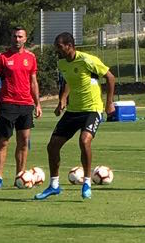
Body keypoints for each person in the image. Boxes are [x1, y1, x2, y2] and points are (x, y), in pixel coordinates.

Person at [33, 33, 115, 201]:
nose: (57, 50)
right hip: (73, 111)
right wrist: (62, 100)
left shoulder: (87, 60)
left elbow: (110, 77)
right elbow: (68, 81)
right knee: (52, 146)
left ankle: (87, 182)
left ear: (69, 46)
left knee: (84, 141)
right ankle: (54, 185)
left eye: (59, 47)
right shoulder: (61, 63)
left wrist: (109, 103)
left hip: (92, 109)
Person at [0, 26, 42, 188]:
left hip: (26, 105)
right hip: (8, 104)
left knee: (24, 141)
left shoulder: (31, 57)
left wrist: (37, 103)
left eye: (20, 37)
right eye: (14, 36)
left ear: (25, 39)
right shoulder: (2, 58)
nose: (17, 39)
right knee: (3, 142)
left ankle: (20, 175)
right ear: (11, 38)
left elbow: (33, 82)